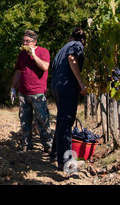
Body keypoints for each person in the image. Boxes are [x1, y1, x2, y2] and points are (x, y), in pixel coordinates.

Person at [49, 27, 87, 171]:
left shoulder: (62, 49)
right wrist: (81, 83)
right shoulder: (77, 45)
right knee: (66, 121)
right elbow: (72, 59)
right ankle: (66, 161)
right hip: (67, 86)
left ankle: (55, 154)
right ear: (82, 40)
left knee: (62, 120)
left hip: (56, 87)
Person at [10, 30, 52, 152]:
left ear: (35, 42)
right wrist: (13, 87)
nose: (25, 43)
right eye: (23, 41)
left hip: (38, 92)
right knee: (24, 120)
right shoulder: (22, 54)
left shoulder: (43, 52)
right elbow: (18, 72)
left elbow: (45, 67)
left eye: (27, 41)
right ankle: (26, 144)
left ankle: (48, 145)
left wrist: (34, 55)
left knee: (42, 120)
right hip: (23, 92)